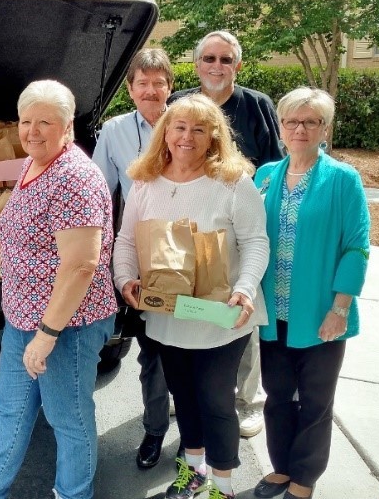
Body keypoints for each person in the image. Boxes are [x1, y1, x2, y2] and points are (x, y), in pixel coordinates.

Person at [0, 80, 118, 499]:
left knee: (68, 420)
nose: (32, 131)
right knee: (11, 410)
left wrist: (48, 334)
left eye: (45, 122)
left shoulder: (74, 177)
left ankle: (73, 495)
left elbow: (80, 265)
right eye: (25, 121)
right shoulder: (32, 165)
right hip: (23, 318)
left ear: (68, 124)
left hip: (65, 327)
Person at [113, 93, 269, 499]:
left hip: (220, 318)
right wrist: (125, 277)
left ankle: (223, 485)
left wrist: (245, 288)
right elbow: (126, 239)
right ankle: (194, 470)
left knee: (217, 403)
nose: (187, 137)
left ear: (214, 137)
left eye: (199, 129)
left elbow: (256, 242)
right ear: (165, 134)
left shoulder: (234, 183)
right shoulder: (145, 182)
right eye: (179, 127)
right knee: (183, 398)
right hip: (167, 317)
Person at [251, 87, 370, 499]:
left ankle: (304, 482)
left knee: (316, 404)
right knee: (277, 396)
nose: (300, 129)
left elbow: (357, 246)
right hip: (273, 314)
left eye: (311, 121)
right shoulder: (265, 175)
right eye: (292, 121)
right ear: (280, 126)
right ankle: (282, 468)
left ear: (325, 129)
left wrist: (341, 307)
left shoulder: (342, 179)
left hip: (321, 313)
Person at [168, 30, 283, 437]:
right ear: (196, 64)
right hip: (185, 227)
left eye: (225, 59)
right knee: (189, 303)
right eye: (209, 59)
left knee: (240, 308)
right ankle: (186, 393)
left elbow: (273, 169)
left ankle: (248, 401)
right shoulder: (178, 103)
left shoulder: (256, 105)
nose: (217, 66)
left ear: (237, 64)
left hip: (238, 225)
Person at [92, 47, 175, 470]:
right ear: (129, 89)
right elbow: (100, 192)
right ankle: (155, 430)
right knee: (153, 349)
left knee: (198, 352)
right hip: (141, 250)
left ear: (170, 87)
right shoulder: (115, 130)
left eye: (158, 82)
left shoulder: (187, 123)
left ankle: (197, 442)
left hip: (192, 252)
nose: (150, 90)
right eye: (141, 83)